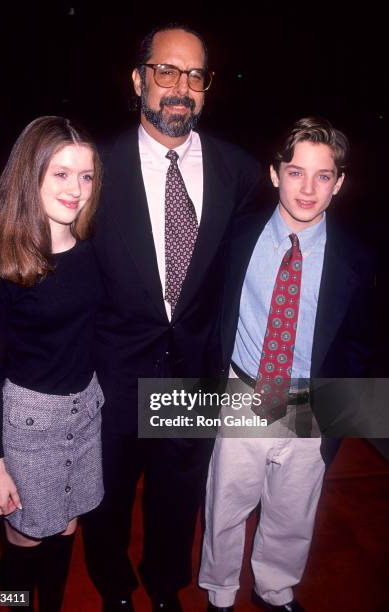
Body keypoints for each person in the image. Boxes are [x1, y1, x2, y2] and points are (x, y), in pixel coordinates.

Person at [0, 24, 262, 612]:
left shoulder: (241, 171)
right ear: (139, 79)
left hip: (193, 378)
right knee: (105, 505)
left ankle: (163, 587)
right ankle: (115, 589)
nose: (180, 86)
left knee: (178, 500)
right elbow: (30, 252)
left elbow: (287, 226)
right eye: (166, 71)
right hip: (105, 380)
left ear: (207, 87)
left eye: (194, 75)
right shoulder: (94, 168)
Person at [199, 117, 375, 611]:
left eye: (324, 176)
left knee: (293, 511)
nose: (308, 188)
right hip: (244, 387)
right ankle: (219, 592)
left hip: (310, 400)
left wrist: (340, 413)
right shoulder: (235, 237)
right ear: (275, 173)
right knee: (225, 503)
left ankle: (275, 589)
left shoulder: (357, 258)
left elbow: (359, 343)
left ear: (339, 183)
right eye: (296, 172)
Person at [0, 116, 104, 611]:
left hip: (85, 414)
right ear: (31, 176)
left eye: (85, 176)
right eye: (61, 174)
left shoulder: (93, 247)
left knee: (66, 527)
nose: (76, 189)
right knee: (26, 540)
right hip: (25, 426)